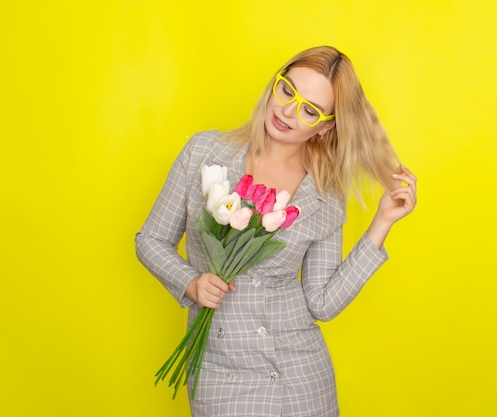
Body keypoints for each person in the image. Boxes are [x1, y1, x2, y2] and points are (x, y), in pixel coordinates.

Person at [135, 45, 417, 416]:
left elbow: (322, 302)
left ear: (326, 126)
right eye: (287, 90)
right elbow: (150, 240)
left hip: (300, 379)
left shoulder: (325, 192)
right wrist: (190, 282)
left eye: (310, 110)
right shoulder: (204, 153)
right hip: (222, 377)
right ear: (275, 83)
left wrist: (382, 222)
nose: (288, 111)